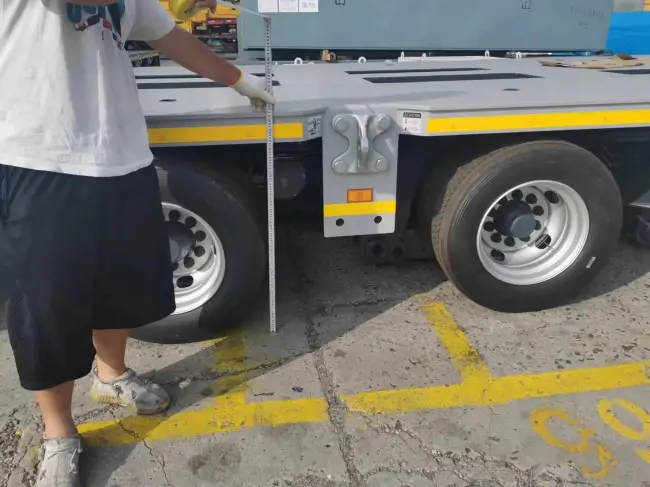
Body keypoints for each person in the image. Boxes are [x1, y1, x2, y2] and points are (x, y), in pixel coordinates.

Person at [0, 0, 275, 486]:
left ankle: (111, 376)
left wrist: (237, 78)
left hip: (122, 154)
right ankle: (59, 433)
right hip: (41, 157)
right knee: (47, 307)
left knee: (119, 286)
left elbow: (169, 35)